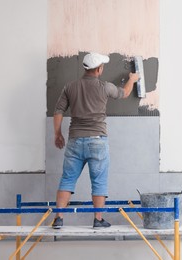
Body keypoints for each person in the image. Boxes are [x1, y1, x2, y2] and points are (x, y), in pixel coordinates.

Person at [52, 52, 139, 229]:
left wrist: (57, 134)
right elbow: (124, 93)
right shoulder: (105, 87)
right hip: (97, 141)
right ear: (99, 69)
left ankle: (59, 218)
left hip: (75, 140)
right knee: (99, 181)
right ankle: (98, 220)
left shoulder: (70, 87)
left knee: (67, 179)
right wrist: (133, 78)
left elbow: (58, 110)